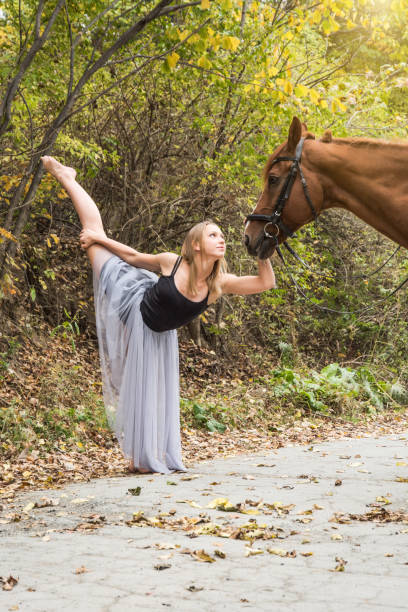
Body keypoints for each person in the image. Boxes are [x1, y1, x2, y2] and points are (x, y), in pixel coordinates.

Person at [41, 156, 276, 474]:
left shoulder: (219, 285)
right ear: (195, 245)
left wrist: (264, 250)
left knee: (154, 392)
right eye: (212, 235)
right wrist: (98, 240)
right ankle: (67, 177)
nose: (221, 240)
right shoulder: (172, 262)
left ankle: (151, 455)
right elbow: (134, 257)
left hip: (161, 334)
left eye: (222, 236)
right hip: (132, 301)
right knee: (93, 232)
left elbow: (265, 282)